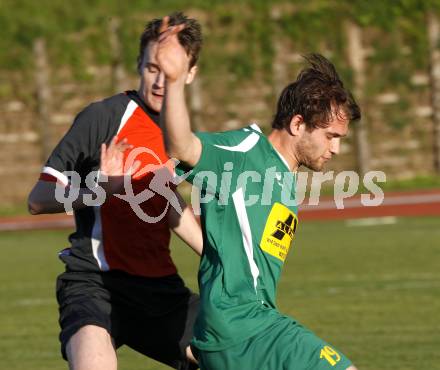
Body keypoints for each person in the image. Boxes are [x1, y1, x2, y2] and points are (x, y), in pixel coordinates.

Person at [157, 18, 361, 370]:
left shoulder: (283, 175)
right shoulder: (244, 152)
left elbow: (162, 190)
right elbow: (179, 150)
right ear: (298, 124)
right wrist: (174, 83)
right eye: (331, 136)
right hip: (243, 327)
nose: (337, 149)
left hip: (243, 328)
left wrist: (214, 250)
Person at [28, 12, 203, 370]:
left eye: (169, 71)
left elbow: (166, 203)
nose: (159, 81)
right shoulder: (103, 117)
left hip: (159, 289)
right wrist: (98, 191)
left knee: (235, 357)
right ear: (138, 64)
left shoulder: (179, 136)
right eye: (152, 67)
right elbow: (39, 198)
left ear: (190, 75)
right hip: (95, 284)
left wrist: (218, 254)